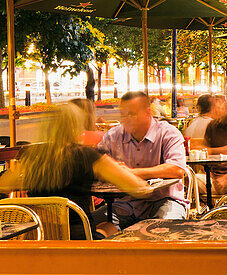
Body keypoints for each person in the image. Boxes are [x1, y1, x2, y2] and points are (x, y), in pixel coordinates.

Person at [0, 104, 151, 237]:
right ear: (76, 127)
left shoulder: (35, 156)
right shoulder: (87, 156)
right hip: (79, 240)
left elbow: (4, 184)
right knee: (110, 226)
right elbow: (138, 187)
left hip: (39, 235)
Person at [97, 90, 188, 227]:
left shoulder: (168, 133)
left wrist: (132, 173)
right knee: (85, 225)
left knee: (164, 229)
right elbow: (96, 164)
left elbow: (176, 170)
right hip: (124, 205)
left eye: (131, 114)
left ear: (147, 113)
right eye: (123, 115)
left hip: (164, 201)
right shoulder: (113, 136)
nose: (125, 119)